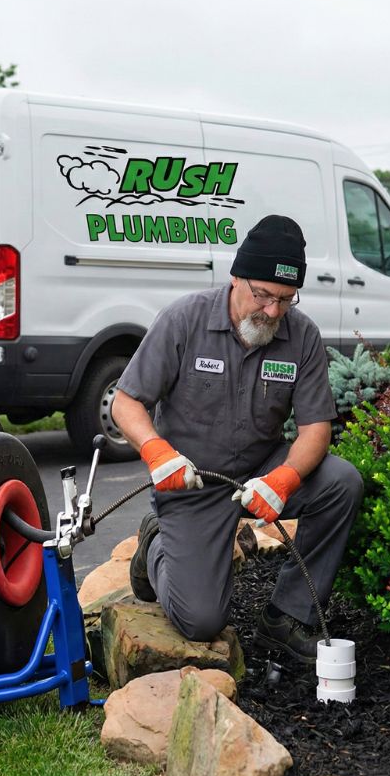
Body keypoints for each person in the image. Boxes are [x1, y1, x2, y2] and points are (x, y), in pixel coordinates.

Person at [111, 214, 363, 664]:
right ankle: (155, 544)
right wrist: (156, 451)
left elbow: (315, 430)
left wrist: (285, 478)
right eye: (262, 294)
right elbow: (125, 402)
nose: (272, 311)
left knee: (341, 482)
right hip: (190, 481)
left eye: (285, 299)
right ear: (236, 278)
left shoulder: (302, 336)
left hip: (261, 473)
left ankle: (286, 617)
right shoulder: (184, 320)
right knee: (201, 620)